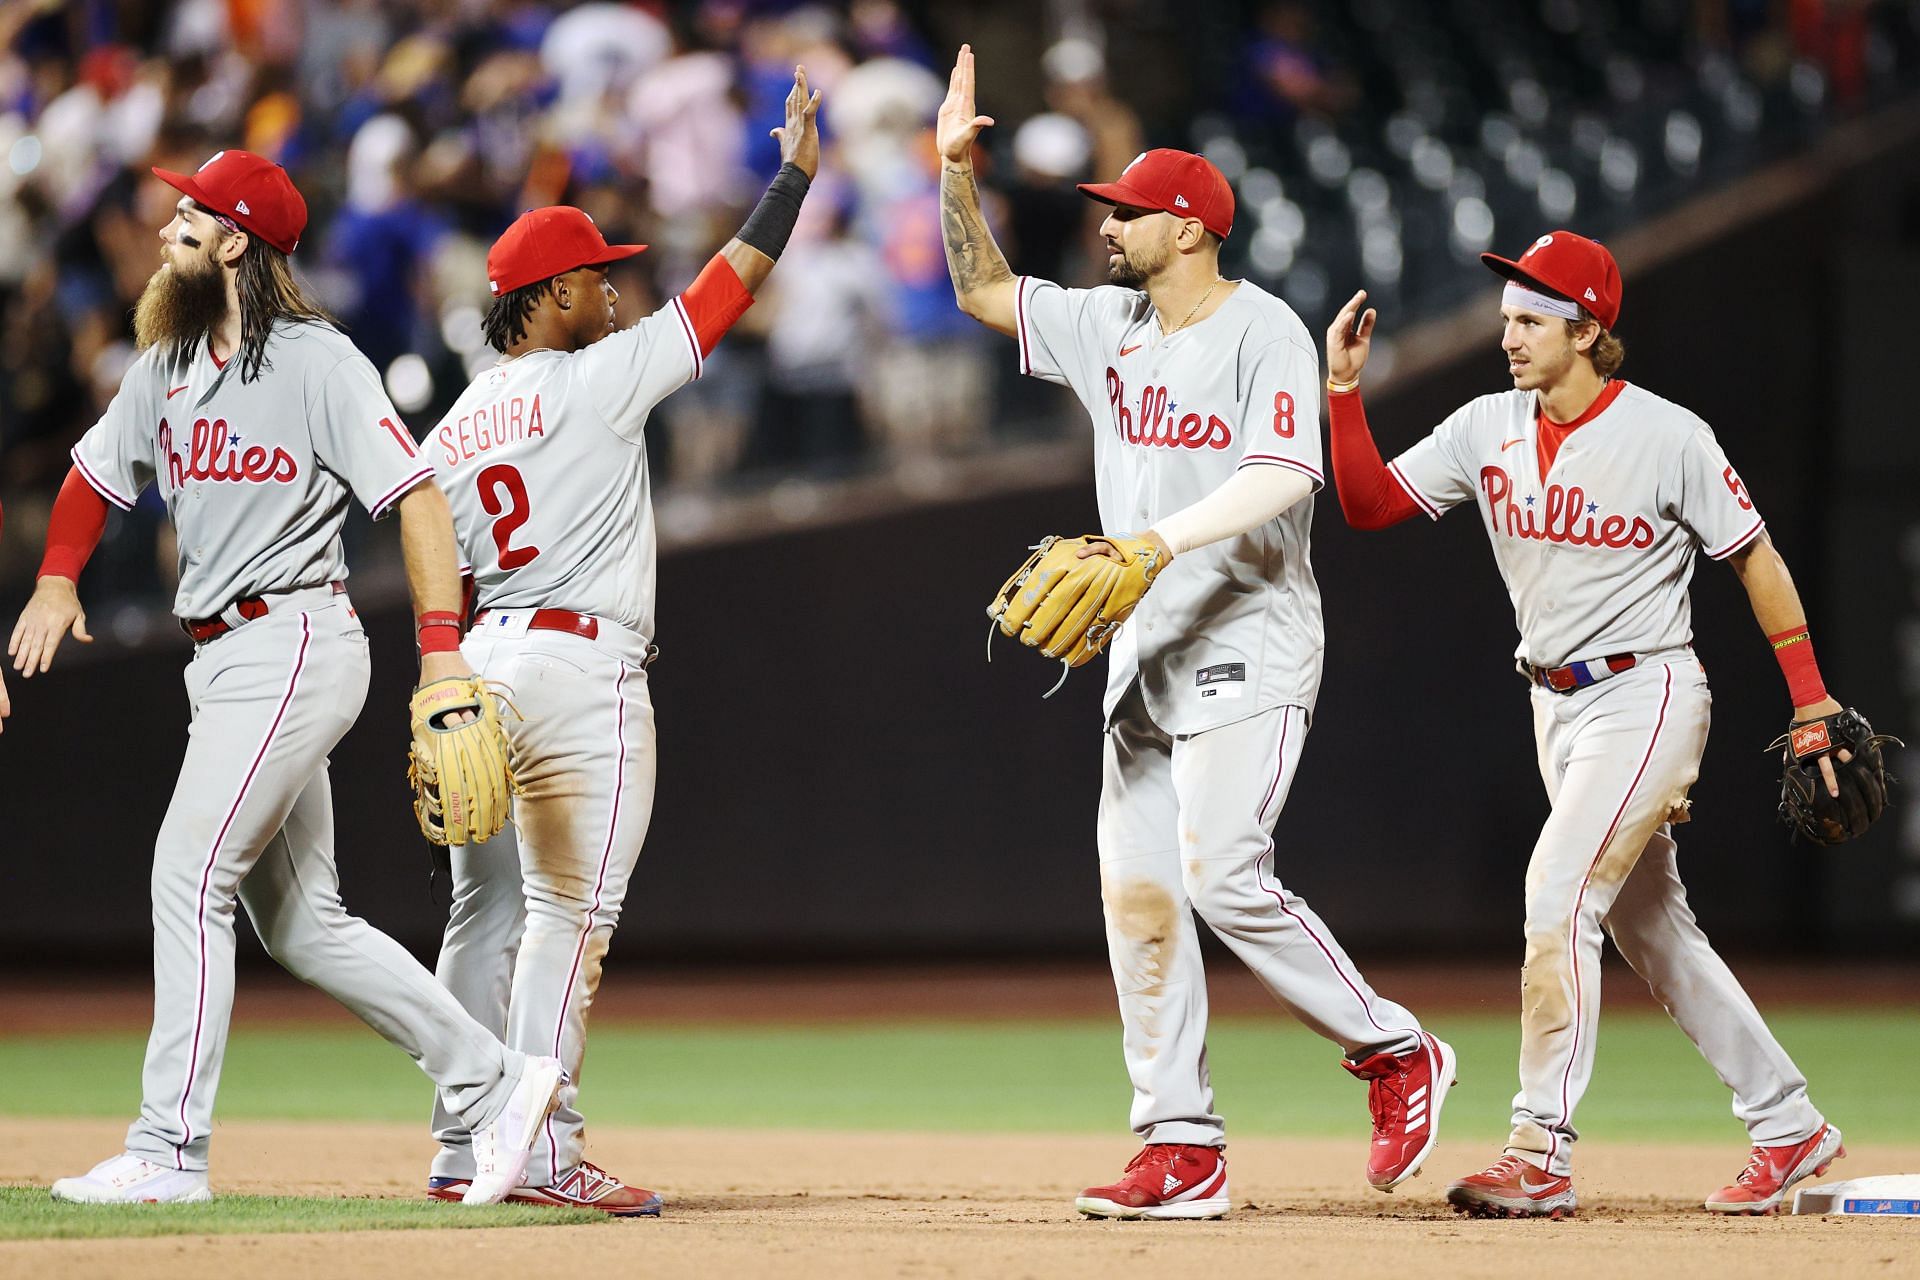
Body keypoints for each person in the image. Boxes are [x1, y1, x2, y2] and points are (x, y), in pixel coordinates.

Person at [936, 44, 1454, 1221]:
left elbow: (1284, 473)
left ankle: (1392, 1048)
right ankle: (1181, 1140)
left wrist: (1156, 545)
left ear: (1190, 226)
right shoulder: (1109, 325)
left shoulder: (1260, 327)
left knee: (1225, 870)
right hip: (1143, 651)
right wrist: (954, 173)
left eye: (1129, 213)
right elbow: (981, 291)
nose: (1109, 225)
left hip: (1250, 634)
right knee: (1141, 897)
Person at [6, 149, 562, 1206]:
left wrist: (441, 648)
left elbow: (418, 497)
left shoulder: (319, 362)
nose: (169, 221)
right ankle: (496, 1084)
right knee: (303, 921)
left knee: (187, 871)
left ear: (237, 240)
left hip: (295, 637)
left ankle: (170, 1149)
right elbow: (88, 475)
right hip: (220, 661)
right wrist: (55, 579)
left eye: (191, 211)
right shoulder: (166, 363)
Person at [1322, 230, 1847, 1218]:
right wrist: (1343, 393)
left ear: (1590, 326)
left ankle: (1540, 1148)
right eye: (1509, 315)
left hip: (1646, 692)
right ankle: (1789, 1124)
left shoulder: (1668, 434)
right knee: (1653, 925)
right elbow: (1367, 502)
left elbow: (1755, 557)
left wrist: (1810, 695)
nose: (1509, 333)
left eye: (1531, 317)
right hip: (1553, 705)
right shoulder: (1487, 426)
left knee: (1557, 891)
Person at [419, 68, 822, 1217]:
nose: (611, 289)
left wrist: (439, 671)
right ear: (550, 296)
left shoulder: (454, 421)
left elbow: (430, 562)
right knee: (567, 919)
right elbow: (725, 289)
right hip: (579, 672)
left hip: (480, 665)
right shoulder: (596, 379)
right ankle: (542, 1150)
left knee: (482, 912)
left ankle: (462, 1140)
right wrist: (790, 177)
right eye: (596, 274)